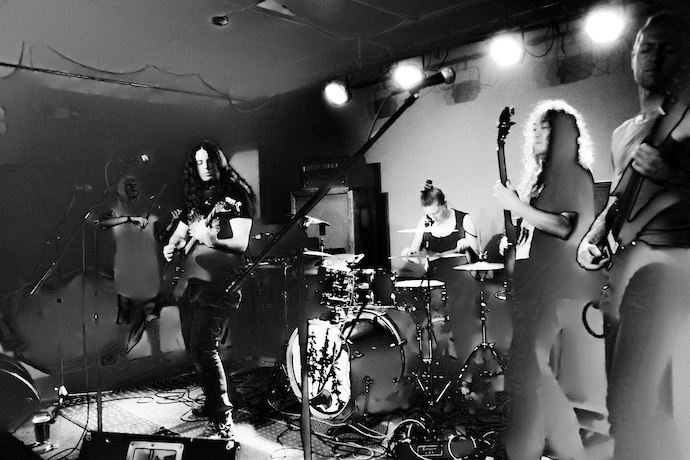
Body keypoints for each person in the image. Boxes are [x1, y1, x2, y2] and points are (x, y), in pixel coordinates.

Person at [577, 13, 690, 460]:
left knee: (632, 402)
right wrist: (594, 234)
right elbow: (619, 200)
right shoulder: (623, 133)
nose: (655, 57)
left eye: (668, 47)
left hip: (669, 267)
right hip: (625, 271)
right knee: (629, 403)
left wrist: (675, 176)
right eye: (647, 47)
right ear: (632, 56)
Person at [494, 99, 598, 460]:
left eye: (546, 127)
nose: (536, 133)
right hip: (531, 287)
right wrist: (517, 234)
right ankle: (568, 449)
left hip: (551, 288)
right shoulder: (541, 181)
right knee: (534, 376)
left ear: (564, 136)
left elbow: (566, 227)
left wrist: (518, 206)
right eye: (535, 127)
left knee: (527, 374)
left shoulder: (572, 174)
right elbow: (535, 231)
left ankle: (541, 449)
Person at [163, 140, 254, 439]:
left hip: (221, 280)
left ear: (219, 162)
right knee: (196, 346)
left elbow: (241, 243)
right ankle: (215, 400)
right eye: (199, 162)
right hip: (192, 280)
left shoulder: (236, 195)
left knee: (203, 346)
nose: (205, 167)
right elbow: (181, 232)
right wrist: (170, 246)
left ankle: (222, 417)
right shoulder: (195, 197)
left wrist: (211, 239)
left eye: (209, 161)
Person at [401, 180, 480, 372]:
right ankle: (433, 365)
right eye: (429, 214)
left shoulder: (464, 219)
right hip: (435, 281)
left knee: (461, 324)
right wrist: (408, 253)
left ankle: (465, 370)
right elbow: (415, 252)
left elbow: (476, 259)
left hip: (460, 281)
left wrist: (466, 247)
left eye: (436, 213)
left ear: (445, 204)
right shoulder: (425, 222)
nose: (433, 217)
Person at [99, 174, 180, 353]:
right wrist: (130, 219)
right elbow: (102, 223)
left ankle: (155, 352)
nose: (134, 186)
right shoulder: (116, 211)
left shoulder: (148, 211)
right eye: (129, 184)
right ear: (121, 189)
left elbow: (160, 237)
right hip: (126, 269)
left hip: (148, 269)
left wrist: (172, 223)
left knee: (150, 312)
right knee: (125, 314)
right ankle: (121, 353)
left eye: (135, 183)